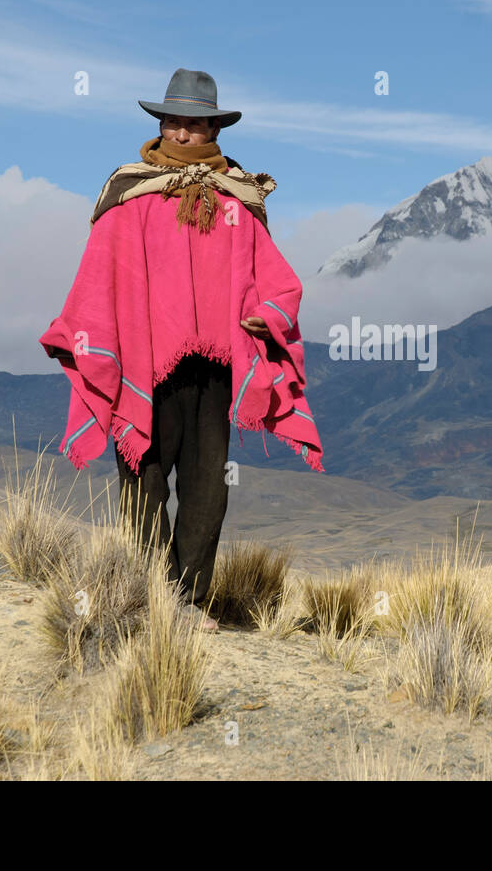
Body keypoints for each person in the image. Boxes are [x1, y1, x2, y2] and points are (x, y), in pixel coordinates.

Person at [39, 68, 325, 632]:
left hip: (217, 367)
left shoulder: (239, 198)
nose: (182, 133)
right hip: (144, 366)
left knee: (206, 487)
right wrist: (91, 331)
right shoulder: (128, 192)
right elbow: (101, 274)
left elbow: (277, 279)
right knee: (143, 479)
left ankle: (189, 601)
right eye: (173, 121)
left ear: (213, 128)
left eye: (193, 124)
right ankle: (153, 597)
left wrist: (267, 315)